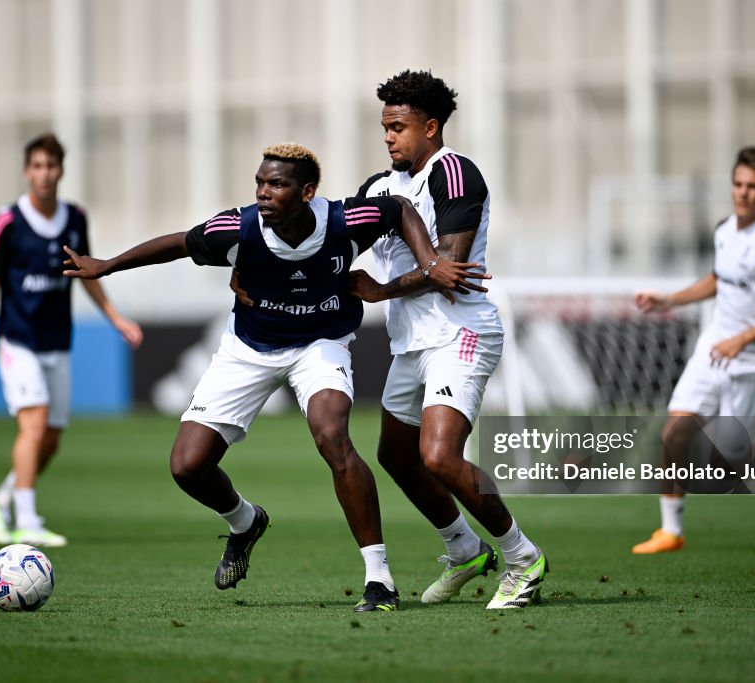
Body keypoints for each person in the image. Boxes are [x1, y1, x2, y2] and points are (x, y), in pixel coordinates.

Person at [63, 143, 488, 612]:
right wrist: (106, 266)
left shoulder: (346, 220)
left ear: (307, 192)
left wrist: (429, 261)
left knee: (333, 437)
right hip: (248, 348)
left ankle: (379, 578)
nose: (264, 193)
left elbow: (400, 210)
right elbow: (181, 243)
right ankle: (245, 522)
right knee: (187, 467)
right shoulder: (239, 228)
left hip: (320, 344)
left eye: (277, 184)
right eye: (260, 183)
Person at [352, 70, 545, 609]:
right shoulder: (378, 188)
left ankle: (523, 558)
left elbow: (451, 267)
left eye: (398, 127)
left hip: (462, 332)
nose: (388, 137)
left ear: (431, 127)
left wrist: (384, 288)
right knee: (395, 454)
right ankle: (464, 549)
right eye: (385, 127)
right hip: (411, 342)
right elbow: (341, 242)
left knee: (437, 456)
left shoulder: (454, 173)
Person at [630, 146, 755, 554]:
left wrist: (743, 339)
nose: (742, 193)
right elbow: (718, 278)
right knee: (674, 434)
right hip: (713, 353)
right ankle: (670, 531)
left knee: (724, 465)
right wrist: (668, 301)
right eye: (737, 184)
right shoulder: (724, 229)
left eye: (752, 187)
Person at [0, 132, 143, 549]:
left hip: (57, 342)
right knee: (34, 424)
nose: (45, 174)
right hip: (17, 341)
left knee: (51, 439)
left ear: (61, 171)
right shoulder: (6, 222)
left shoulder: (75, 219)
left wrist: (116, 317)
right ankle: (27, 521)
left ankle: (3, 498)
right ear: (27, 171)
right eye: (38, 166)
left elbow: (87, 275)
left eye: (52, 166)